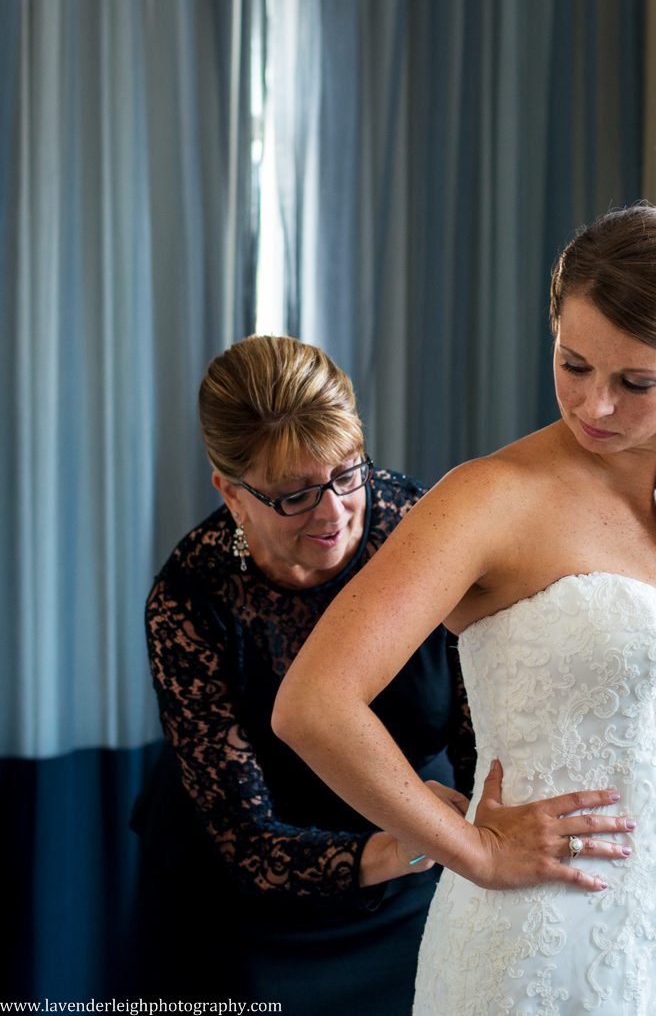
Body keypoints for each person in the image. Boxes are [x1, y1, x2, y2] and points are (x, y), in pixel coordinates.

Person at [272, 204, 656, 1016]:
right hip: (536, 946)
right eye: (574, 361)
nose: (596, 405)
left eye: (636, 382)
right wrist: (473, 850)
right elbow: (314, 704)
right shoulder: (489, 499)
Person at [130, 335, 475, 1012]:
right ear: (230, 491)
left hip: (417, 887)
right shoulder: (191, 596)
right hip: (240, 913)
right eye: (293, 494)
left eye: (347, 472)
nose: (333, 511)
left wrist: (467, 839)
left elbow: (480, 723)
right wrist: (407, 843)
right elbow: (251, 845)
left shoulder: (417, 526)